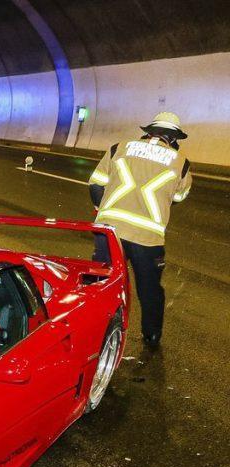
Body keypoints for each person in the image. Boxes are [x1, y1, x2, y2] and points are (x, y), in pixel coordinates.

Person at [89, 112, 193, 348]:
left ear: (148, 131)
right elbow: (178, 196)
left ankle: (95, 330)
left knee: (102, 281)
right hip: (147, 238)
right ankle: (151, 335)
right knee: (149, 290)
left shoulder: (119, 147)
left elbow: (96, 184)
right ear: (174, 138)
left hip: (110, 231)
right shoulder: (181, 162)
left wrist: (101, 209)